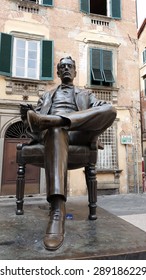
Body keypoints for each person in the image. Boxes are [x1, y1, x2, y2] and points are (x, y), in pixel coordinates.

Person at [21, 56, 117, 251]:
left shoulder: (86, 94)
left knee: (110, 109)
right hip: (55, 136)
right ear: (58, 72)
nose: (66, 69)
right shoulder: (46, 96)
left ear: (75, 72)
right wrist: (26, 117)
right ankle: (57, 209)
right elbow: (32, 125)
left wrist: (48, 120)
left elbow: (102, 112)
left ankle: (55, 120)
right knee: (56, 131)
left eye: (70, 67)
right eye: (62, 67)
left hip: (80, 134)